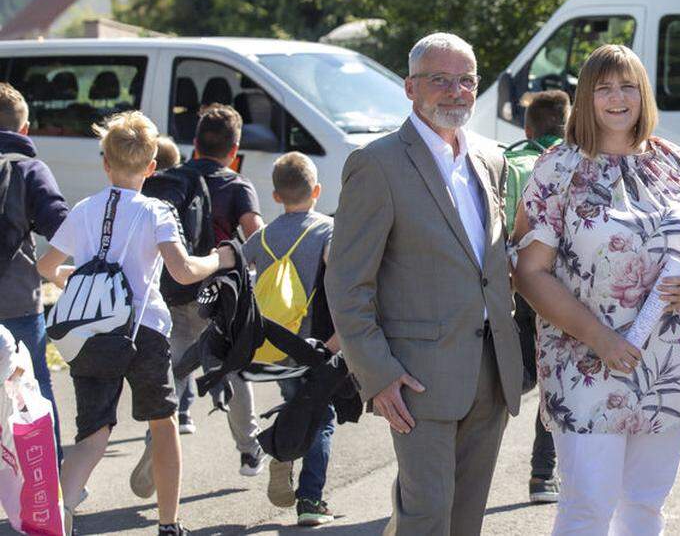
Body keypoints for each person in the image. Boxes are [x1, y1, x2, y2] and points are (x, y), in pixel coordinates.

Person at [513, 44, 680, 535]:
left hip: (665, 363)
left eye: (627, 85)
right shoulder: (557, 169)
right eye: (603, 87)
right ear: (585, 97)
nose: (617, 97)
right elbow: (528, 273)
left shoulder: (673, 161)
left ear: (643, 93)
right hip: (586, 365)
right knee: (588, 505)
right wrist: (600, 339)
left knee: (646, 505)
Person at [326, 32, 524, 536]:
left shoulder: (490, 159)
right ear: (410, 87)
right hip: (417, 378)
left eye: (467, 81)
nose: (456, 91)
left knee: (466, 518)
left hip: (491, 371)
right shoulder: (377, 164)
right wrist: (377, 374)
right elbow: (348, 283)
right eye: (441, 80)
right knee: (426, 516)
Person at [37, 111, 234, 536]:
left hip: (90, 332)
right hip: (143, 328)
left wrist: (69, 277)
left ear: (104, 163)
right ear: (150, 167)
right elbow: (181, 272)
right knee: (162, 423)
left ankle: (60, 513)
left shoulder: (85, 209)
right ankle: (168, 524)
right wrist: (218, 259)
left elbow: (46, 264)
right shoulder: (155, 211)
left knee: (92, 433)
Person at [130, 105, 266, 500]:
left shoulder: (172, 179)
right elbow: (256, 236)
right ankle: (249, 450)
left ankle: (153, 444)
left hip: (173, 288)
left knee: (171, 372)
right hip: (217, 295)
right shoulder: (237, 185)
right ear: (234, 148)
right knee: (233, 367)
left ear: (195, 143)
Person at [241, 152, 338, 526]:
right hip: (315, 344)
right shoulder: (327, 230)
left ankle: (282, 450)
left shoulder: (262, 236)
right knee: (321, 415)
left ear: (276, 196)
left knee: (297, 403)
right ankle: (310, 500)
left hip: (274, 344)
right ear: (316, 190)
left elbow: (239, 267)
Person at [503, 89, 570, 503]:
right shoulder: (574, 163)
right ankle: (542, 476)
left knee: (517, 370)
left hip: (512, 282)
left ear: (527, 127)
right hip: (560, 288)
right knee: (555, 376)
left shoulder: (509, 162)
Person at [0, 83, 69, 457]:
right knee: (34, 394)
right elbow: (61, 225)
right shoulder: (29, 169)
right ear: (23, 130)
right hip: (18, 305)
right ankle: (49, 485)